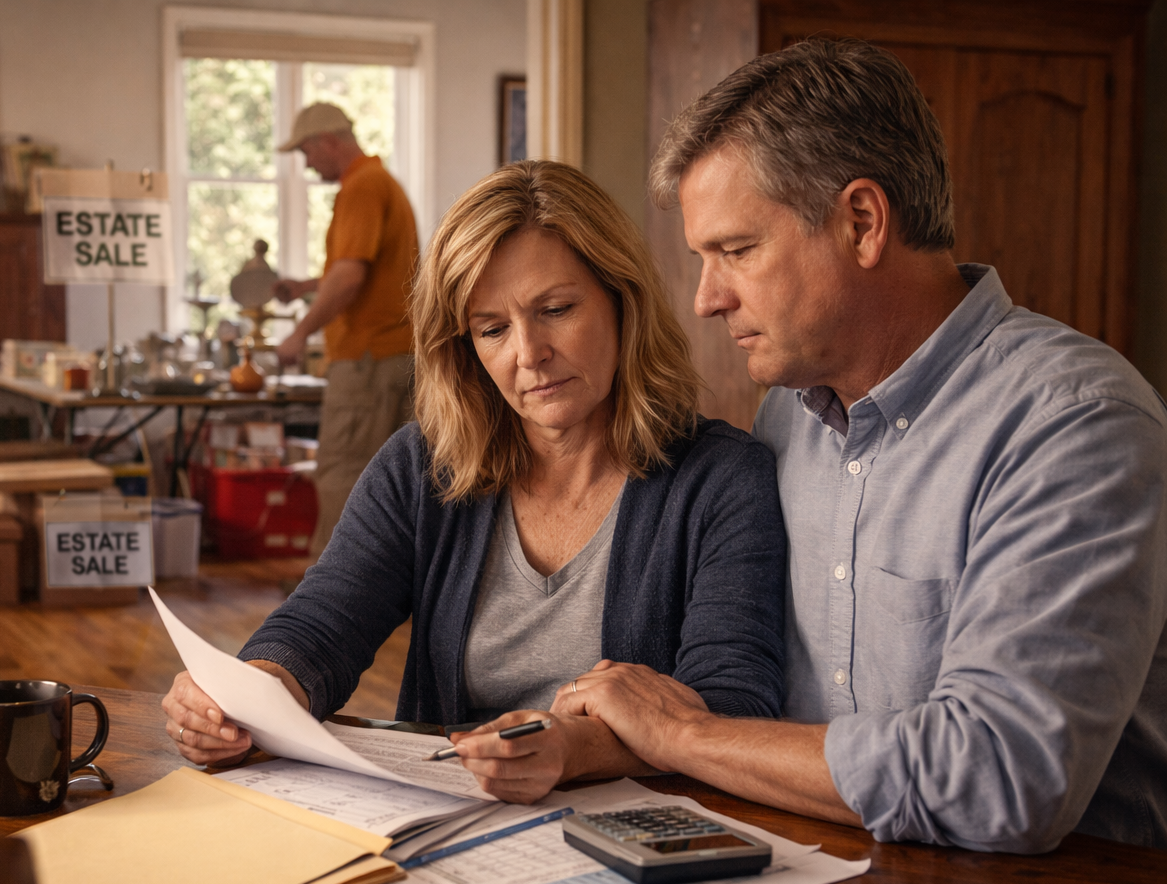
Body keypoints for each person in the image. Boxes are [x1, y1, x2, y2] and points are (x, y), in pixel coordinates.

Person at [558, 38, 1167, 852]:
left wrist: (682, 734)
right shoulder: (786, 419)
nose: (707, 298)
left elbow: (1001, 778)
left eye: (736, 251)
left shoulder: (1075, 423)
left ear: (862, 222)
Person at [164, 161, 788, 802]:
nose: (528, 353)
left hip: (647, 837)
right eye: (492, 329)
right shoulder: (421, 468)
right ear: (466, 349)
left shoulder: (722, 480)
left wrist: (574, 750)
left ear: (622, 301)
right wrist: (245, 697)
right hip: (445, 824)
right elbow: (323, 625)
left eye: (556, 309)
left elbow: (733, 706)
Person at [271, 103, 419, 555]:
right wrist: (308, 287)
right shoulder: (383, 183)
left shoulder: (360, 188)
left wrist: (300, 334)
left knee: (342, 476)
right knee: (398, 484)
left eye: (306, 151)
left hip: (366, 362)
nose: (307, 162)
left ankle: (329, 605)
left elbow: (350, 278)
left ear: (330, 141)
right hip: (398, 355)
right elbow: (365, 271)